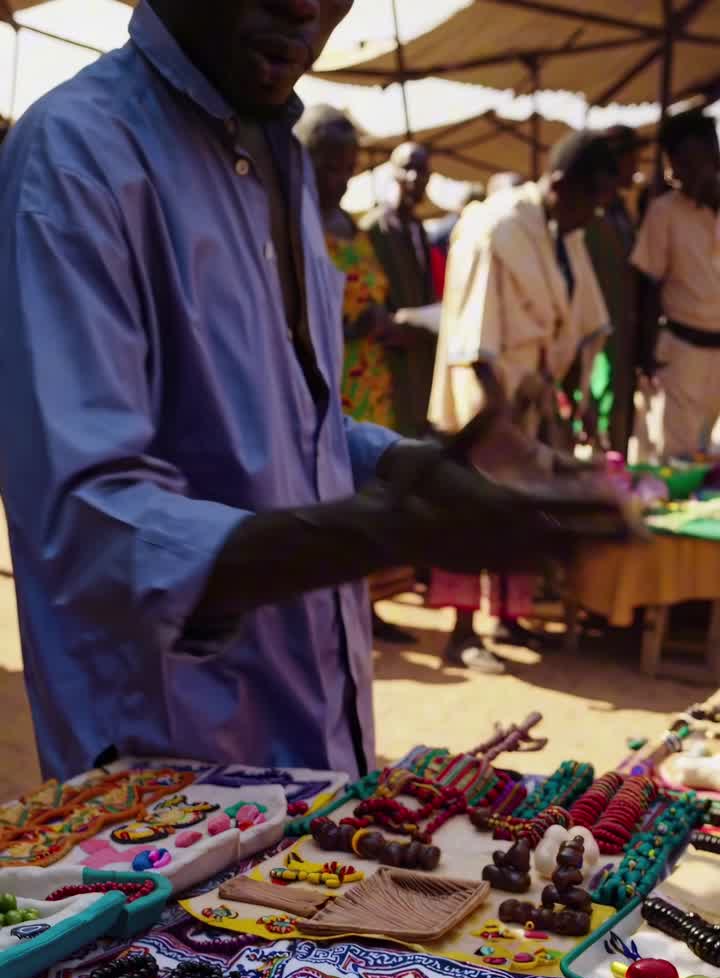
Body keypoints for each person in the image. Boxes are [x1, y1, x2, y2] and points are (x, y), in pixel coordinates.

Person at [0, 2, 627, 783]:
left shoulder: (279, 160)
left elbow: (296, 417)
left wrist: (409, 468)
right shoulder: (77, 158)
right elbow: (91, 521)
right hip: (170, 781)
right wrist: (390, 531)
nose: (305, 5)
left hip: (317, 740)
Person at [429, 131, 616, 659]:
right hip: (487, 396)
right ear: (559, 186)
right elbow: (476, 328)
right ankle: (462, 634)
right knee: (471, 507)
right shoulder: (498, 227)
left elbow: (582, 317)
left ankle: (508, 619)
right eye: (591, 201)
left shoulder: (563, 231)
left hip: (530, 392)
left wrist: (575, 392)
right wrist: (496, 415)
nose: (594, 216)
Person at [295, 102, 416, 645]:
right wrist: (350, 322)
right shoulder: (289, 220)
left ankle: (365, 604)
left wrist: (386, 325)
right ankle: (323, 608)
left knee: (366, 494)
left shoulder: (353, 226)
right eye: (328, 165)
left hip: (368, 382)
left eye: (347, 167)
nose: (339, 178)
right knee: (320, 495)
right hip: (319, 381)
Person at [633, 109, 720, 459]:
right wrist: (645, 353)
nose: (681, 174)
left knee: (706, 455)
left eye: (691, 162)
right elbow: (649, 286)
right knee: (674, 456)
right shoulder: (663, 213)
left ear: (714, 155)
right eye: (676, 165)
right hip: (680, 353)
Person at [362, 142, 438, 437]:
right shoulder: (374, 228)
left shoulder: (418, 228)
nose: (415, 178)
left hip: (421, 355)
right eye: (407, 169)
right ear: (392, 173)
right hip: (390, 359)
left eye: (422, 171)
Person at [585, 126, 640, 454]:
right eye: (630, 158)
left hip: (622, 331)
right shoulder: (589, 214)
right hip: (598, 334)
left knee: (620, 406)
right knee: (602, 406)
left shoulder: (622, 211)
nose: (636, 166)